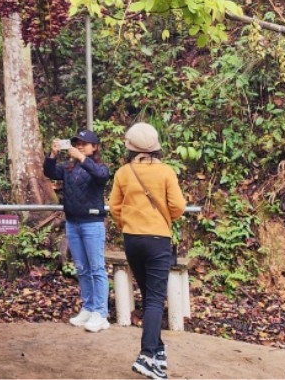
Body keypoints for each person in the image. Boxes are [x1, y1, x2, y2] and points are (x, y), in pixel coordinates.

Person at [109, 122, 185, 380]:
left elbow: (114, 208)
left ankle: (158, 351)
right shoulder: (166, 172)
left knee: (148, 295)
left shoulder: (123, 173)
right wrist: (162, 220)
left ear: (131, 147)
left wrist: (128, 224)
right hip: (157, 239)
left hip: (132, 239)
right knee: (155, 299)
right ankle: (147, 355)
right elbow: (178, 206)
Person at [44, 129, 111, 333]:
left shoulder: (100, 167)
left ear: (95, 147)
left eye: (84, 143)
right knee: (82, 268)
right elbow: (50, 172)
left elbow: (101, 176)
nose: (79, 146)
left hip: (92, 223)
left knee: (96, 268)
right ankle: (88, 308)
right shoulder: (68, 167)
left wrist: (82, 158)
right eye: (76, 143)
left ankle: (101, 313)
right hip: (72, 223)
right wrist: (53, 154)